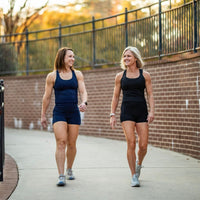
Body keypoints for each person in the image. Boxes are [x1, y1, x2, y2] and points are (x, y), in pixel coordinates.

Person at [41, 47, 88, 186]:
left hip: (74, 112)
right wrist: (43, 114)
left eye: (73, 56)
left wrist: (84, 102)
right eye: (70, 56)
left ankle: (69, 169)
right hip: (59, 112)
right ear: (62, 58)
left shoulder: (77, 74)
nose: (73, 59)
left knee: (71, 144)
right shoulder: (52, 76)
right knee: (61, 142)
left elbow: (83, 91)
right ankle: (61, 175)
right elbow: (47, 97)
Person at [110, 46, 154, 187]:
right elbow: (115, 97)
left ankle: (138, 164)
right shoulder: (120, 76)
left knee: (143, 146)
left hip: (142, 111)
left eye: (129, 56)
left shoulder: (145, 75)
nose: (126, 58)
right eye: (124, 56)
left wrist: (152, 111)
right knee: (131, 142)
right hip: (127, 112)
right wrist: (112, 114)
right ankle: (133, 175)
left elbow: (150, 94)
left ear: (135, 58)